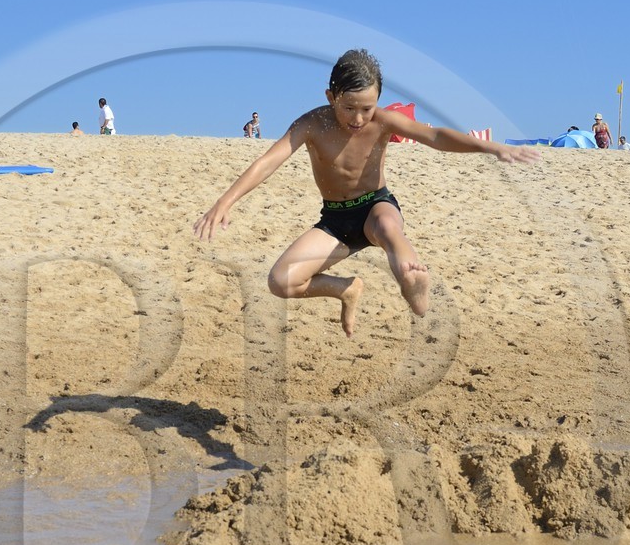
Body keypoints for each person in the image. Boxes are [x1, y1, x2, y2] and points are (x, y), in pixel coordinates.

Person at [193, 48, 539, 338]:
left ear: (378, 102)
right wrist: (225, 201)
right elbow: (269, 161)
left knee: (388, 228)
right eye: (349, 108)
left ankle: (412, 273)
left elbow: (434, 137)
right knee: (280, 282)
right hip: (335, 222)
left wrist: (489, 148)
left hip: (376, 206)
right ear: (330, 97)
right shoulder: (311, 124)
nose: (358, 118)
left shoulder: (383, 122)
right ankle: (346, 288)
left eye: (367, 108)